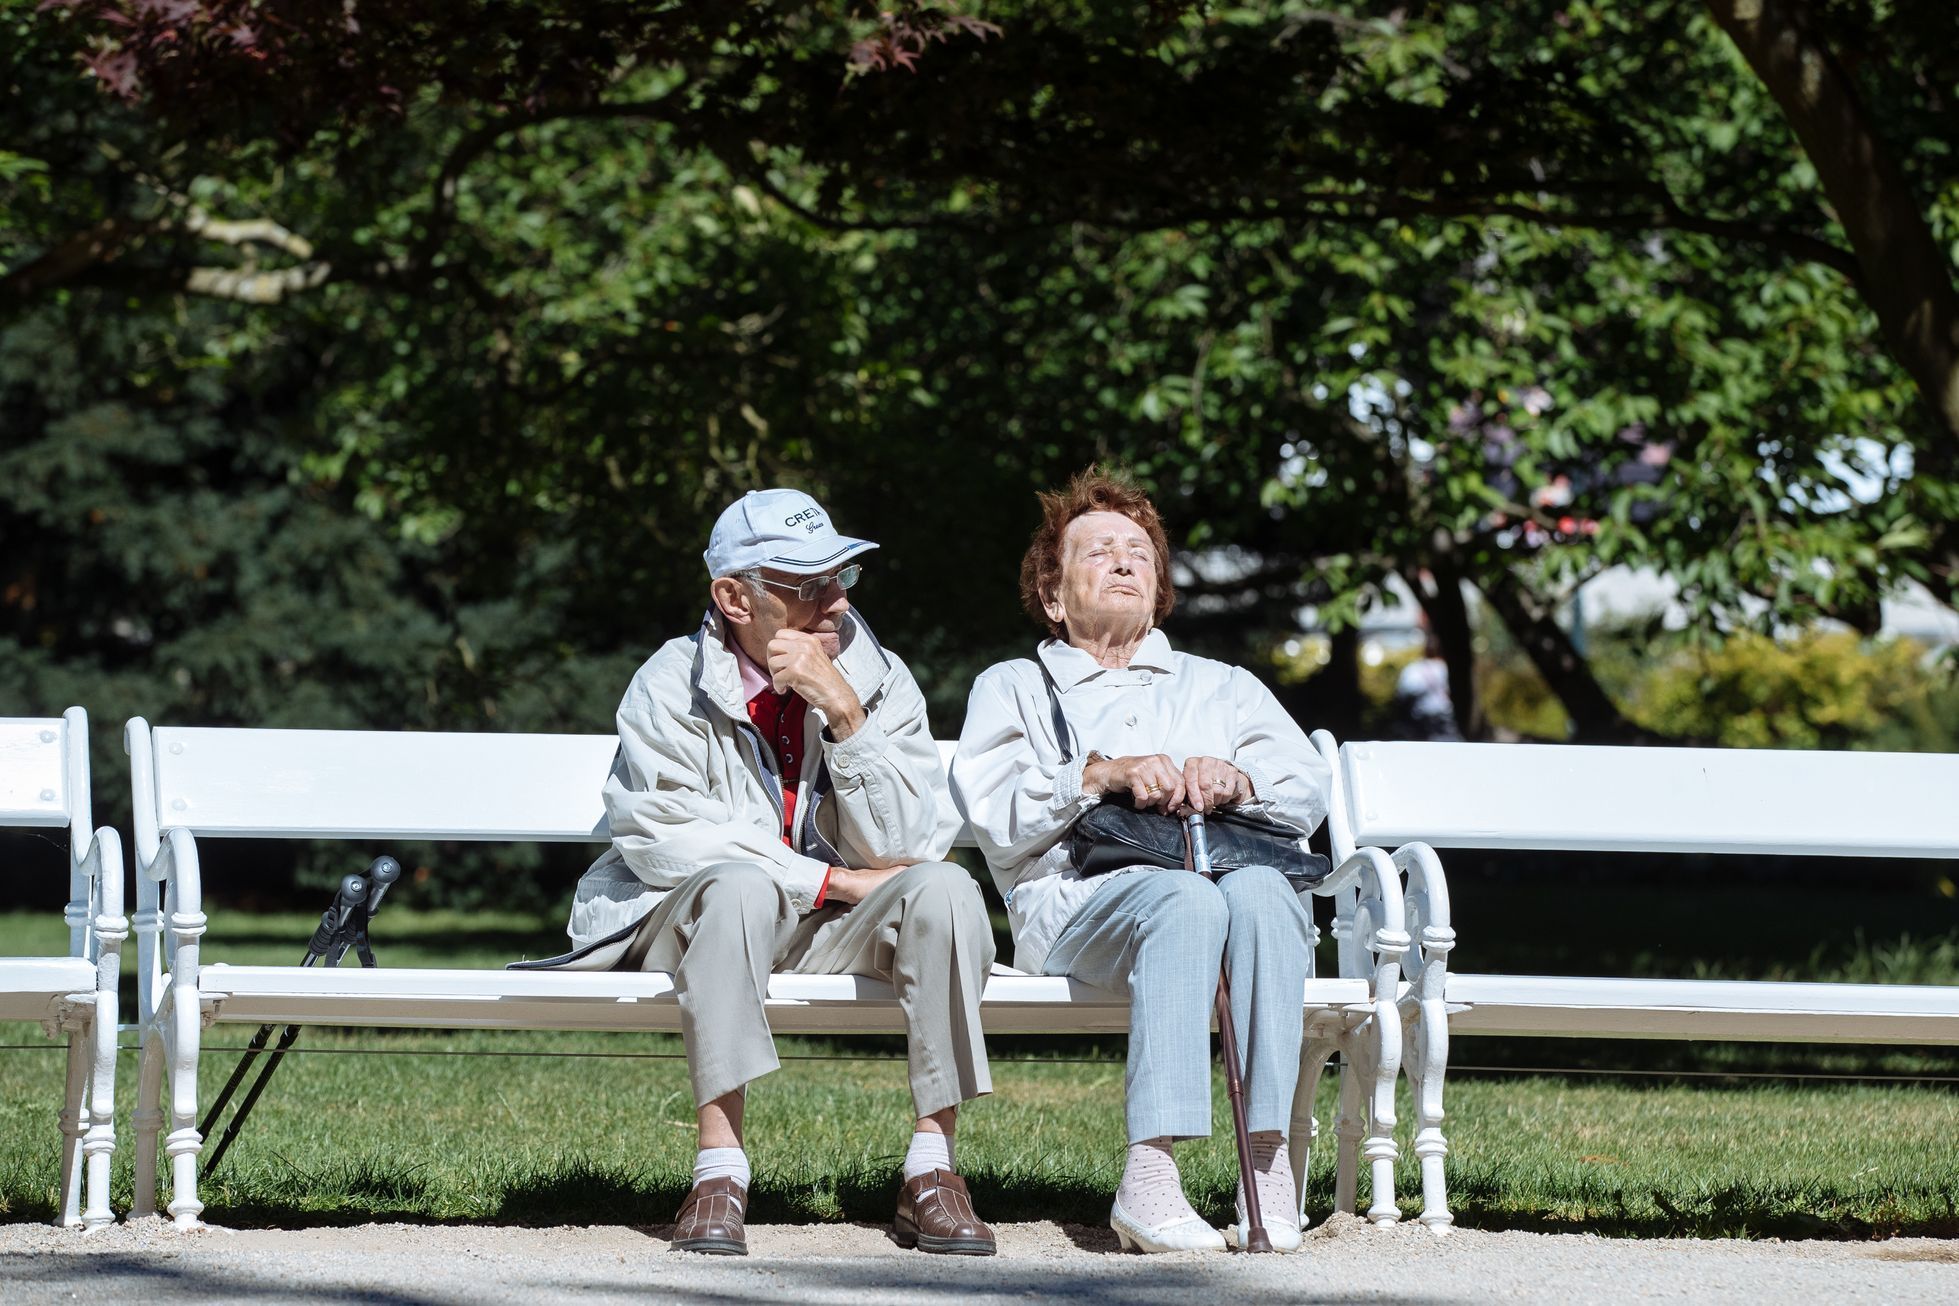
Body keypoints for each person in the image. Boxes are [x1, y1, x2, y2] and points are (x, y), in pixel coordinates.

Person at [518, 488, 996, 1257]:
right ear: (734, 597)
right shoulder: (670, 680)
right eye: (808, 586)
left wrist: (844, 713)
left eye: (843, 576)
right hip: (693, 920)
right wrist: (828, 884)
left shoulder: (878, 678)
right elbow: (665, 835)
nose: (836, 601)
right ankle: (719, 1174)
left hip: (827, 930)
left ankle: (932, 1173)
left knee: (947, 889)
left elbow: (909, 843)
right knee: (738, 885)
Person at [950, 467, 1330, 1254]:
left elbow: (1304, 794)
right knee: (1185, 900)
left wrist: (1239, 780)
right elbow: (994, 819)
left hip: (1226, 890)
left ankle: (1265, 1161)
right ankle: (1149, 1178)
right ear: (1053, 596)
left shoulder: (1223, 687)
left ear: (1158, 591)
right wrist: (1097, 775)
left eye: (1138, 553)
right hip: (1076, 904)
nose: (1124, 562)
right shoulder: (1015, 687)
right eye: (1096, 552)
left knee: (1260, 891)